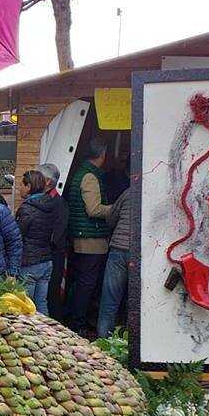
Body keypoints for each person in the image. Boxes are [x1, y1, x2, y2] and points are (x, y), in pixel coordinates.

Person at [65, 136, 113, 335]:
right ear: (102, 155)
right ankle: (78, 324)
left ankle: (75, 319)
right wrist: (115, 208)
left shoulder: (83, 173)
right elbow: (93, 209)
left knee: (81, 281)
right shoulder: (90, 177)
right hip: (90, 239)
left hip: (83, 235)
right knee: (87, 283)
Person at [16, 170, 60, 315]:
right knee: (41, 304)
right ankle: (49, 336)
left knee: (27, 307)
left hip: (30, 263)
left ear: (29, 187)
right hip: (47, 261)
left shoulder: (27, 208)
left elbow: (18, 235)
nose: (19, 188)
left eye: (22, 185)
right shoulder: (52, 205)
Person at [35, 163, 69, 321]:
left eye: (38, 176)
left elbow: (57, 235)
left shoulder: (59, 204)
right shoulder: (42, 199)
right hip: (44, 256)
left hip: (53, 258)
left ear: (47, 181)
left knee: (51, 296)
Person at [97, 187, 130, 338]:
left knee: (109, 299)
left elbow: (111, 218)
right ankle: (132, 345)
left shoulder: (128, 192)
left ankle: (103, 342)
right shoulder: (157, 195)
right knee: (138, 301)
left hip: (119, 249)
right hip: (142, 253)